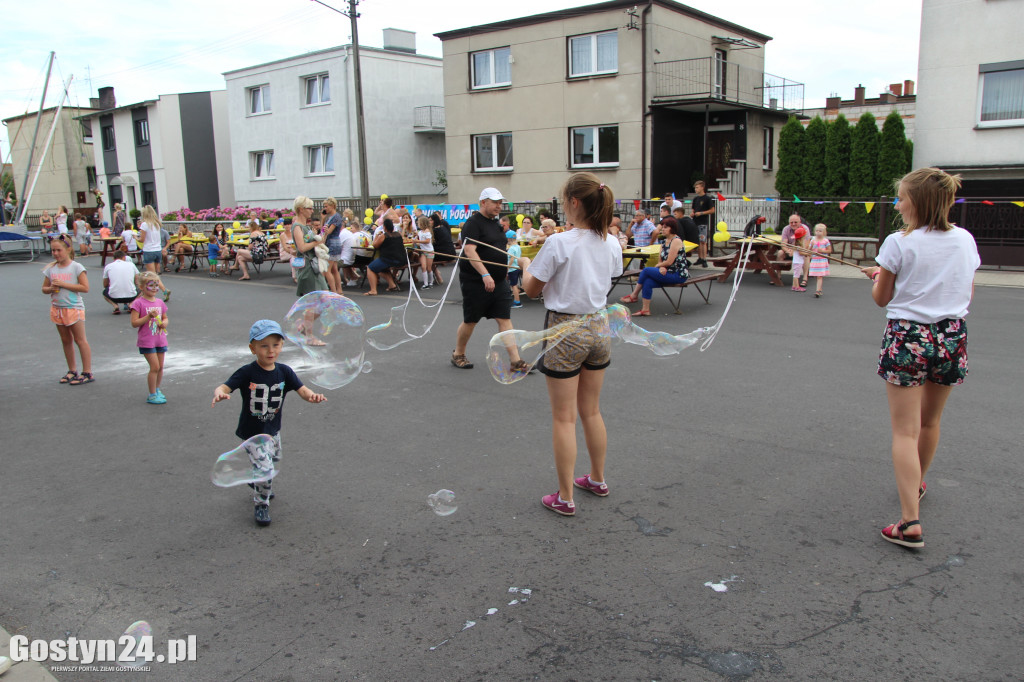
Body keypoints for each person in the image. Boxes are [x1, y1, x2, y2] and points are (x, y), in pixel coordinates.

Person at [861, 167, 980, 550]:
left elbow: (883, 298)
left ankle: (910, 522)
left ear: (918, 202)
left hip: (909, 335)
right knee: (930, 422)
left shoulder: (899, 242)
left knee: (904, 431)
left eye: (901, 197)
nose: (896, 204)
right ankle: (916, 485)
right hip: (951, 335)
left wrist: (878, 278)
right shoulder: (964, 239)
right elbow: (965, 293)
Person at [523, 172, 623, 516]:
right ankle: (597, 478)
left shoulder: (558, 243)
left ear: (574, 202)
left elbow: (531, 290)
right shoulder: (611, 242)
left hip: (565, 330)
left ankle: (565, 497)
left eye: (563, 199)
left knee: (564, 418)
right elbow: (606, 278)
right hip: (599, 326)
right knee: (592, 410)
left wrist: (524, 265)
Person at [211, 320, 327, 526]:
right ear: (252, 348)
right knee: (265, 470)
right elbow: (225, 387)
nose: (270, 350)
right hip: (253, 433)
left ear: (282, 345)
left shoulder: (284, 372)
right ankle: (261, 504)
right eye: (264, 346)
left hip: (273, 430)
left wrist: (312, 396)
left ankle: (258, 478)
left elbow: (302, 390)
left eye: (275, 344)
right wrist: (220, 393)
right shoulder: (247, 372)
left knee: (273, 462)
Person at [451, 187, 528, 371]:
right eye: (495, 202)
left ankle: (516, 361)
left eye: (500, 202)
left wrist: (516, 260)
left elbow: (499, 250)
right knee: (471, 320)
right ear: (483, 202)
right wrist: (485, 274)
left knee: (504, 318)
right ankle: (458, 354)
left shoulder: (496, 224)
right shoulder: (473, 223)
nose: (499, 206)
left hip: (499, 280)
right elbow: (470, 250)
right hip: (475, 281)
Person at [42, 235, 94, 385]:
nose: (56, 253)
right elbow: (44, 289)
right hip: (58, 308)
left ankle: (87, 371)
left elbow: (85, 288)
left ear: (68, 249)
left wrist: (64, 284)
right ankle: (72, 370)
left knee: (80, 340)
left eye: (58, 250)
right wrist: (51, 288)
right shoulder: (51, 269)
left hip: (73, 308)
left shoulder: (76, 267)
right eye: (53, 251)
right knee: (66, 340)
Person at [619, 217, 689, 315]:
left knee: (646, 270)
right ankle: (645, 310)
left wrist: (660, 265)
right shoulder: (664, 242)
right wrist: (661, 267)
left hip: (678, 274)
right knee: (648, 282)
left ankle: (634, 295)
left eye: (665, 227)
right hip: (667, 271)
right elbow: (660, 259)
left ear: (671, 228)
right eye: (662, 227)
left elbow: (669, 261)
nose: (662, 229)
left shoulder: (676, 241)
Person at [130, 272, 169, 405]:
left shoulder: (159, 302)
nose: (154, 288)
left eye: (156, 285)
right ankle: (152, 394)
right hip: (147, 341)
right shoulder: (138, 303)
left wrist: (164, 323)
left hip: (160, 339)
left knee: (160, 367)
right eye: (150, 285)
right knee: (154, 367)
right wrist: (148, 317)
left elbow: (165, 317)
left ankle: (157, 389)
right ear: (141, 286)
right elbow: (134, 323)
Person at [292, 196, 328, 297]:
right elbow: (302, 247)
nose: (312, 211)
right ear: (301, 209)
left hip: (313, 265)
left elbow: (319, 242)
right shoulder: (297, 226)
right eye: (310, 208)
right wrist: (317, 242)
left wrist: (325, 234)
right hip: (307, 266)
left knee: (323, 298)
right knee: (315, 301)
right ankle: (308, 313)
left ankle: (310, 313)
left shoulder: (306, 226)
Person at [365, 219, 404, 295]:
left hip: (388, 259)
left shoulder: (384, 236)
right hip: (401, 259)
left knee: (370, 268)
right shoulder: (398, 234)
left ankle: (373, 290)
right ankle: (392, 285)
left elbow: (375, 245)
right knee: (381, 268)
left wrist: (376, 236)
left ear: (385, 227)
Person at [102, 249, 140, 313]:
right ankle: (131, 304)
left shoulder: (108, 266)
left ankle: (115, 306)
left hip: (114, 297)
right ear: (124, 257)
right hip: (131, 296)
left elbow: (105, 284)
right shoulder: (131, 265)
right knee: (141, 289)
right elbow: (137, 281)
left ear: (113, 258)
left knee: (104, 292)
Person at [322, 197, 344, 294]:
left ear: (332, 206)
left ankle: (334, 291)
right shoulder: (332, 217)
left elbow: (328, 231)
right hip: (333, 242)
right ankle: (339, 290)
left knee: (327, 270)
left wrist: (325, 231)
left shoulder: (336, 217)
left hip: (332, 243)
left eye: (326, 206)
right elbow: (324, 230)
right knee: (334, 269)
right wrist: (322, 219)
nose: (325, 208)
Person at [690, 180, 714, 267]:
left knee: (703, 241)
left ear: (702, 187)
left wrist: (701, 213)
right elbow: (693, 209)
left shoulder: (707, 198)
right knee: (698, 241)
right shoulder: (695, 199)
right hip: (695, 222)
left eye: (697, 187)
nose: (696, 189)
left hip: (703, 222)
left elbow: (712, 210)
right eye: (695, 188)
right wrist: (692, 213)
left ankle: (704, 259)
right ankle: (700, 258)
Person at [807, 223, 832, 298]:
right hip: (815, 260)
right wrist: (810, 252)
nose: (818, 232)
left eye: (820, 231)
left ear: (824, 232)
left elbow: (829, 250)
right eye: (817, 231)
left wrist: (822, 251)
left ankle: (817, 291)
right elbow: (809, 249)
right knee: (817, 276)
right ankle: (820, 289)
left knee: (819, 276)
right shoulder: (813, 240)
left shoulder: (825, 241)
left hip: (822, 260)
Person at [138, 205, 163, 275]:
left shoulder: (144, 224)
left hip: (149, 250)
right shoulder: (157, 224)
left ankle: (159, 286)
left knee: (151, 275)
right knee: (156, 274)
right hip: (158, 249)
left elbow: (142, 239)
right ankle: (157, 285)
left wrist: (136, 238)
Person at [412, 215, 435, 289]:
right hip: (422, 251)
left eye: (418, 223)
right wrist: (415, 240)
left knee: (429, 268)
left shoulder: (427, 231)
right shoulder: (420, 232)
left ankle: (431, 281)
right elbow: (418, 240)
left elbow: (427, 241)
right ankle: (425, 283)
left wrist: (417, 241)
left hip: (429, 251)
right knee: (423, 266)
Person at [506, 229, 525, 308]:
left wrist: (507, 267)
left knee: (513, 285)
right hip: (517, 267)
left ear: (509, 239)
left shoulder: (511, 249)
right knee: (514, 284)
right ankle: (516, 298)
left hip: (512, 268)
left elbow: (512, 259)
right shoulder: (517, 246)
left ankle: (517, 301)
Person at [789, 225, 809, 292]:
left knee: (796, 274)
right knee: (796, 275)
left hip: (797, 262)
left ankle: (794, 286)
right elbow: (801, 253)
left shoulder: (796, 244)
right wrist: (807, 254)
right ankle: (797, 287)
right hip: (798, 262)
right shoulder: (799, 245)